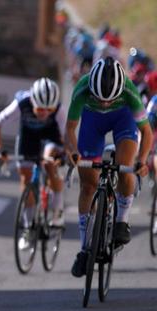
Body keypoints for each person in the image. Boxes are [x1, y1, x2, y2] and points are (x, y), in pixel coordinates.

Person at [66, 57, 152, 278]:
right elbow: (70, 129)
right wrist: (74, 153)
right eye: (100, 98)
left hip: (123, 119)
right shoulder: (82, 87)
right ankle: (85, 248)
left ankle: (121, 221)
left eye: (109, 99)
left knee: (125, 166)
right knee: (87, 186)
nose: (104, 103)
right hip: (92, 122)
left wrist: (142, 160)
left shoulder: (129, 90)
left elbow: (147, 132)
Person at [0, 78, 66, 237]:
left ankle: (58, 211)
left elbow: (67, 138)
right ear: (32, 101)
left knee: (49, 163)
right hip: (29, 136)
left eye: (49, 110)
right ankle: (27, 227)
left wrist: (63, 155)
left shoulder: (59, 110)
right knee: (25, 178)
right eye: (40, 109)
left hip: (52, 137)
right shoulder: (21, 103)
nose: (44, 113)